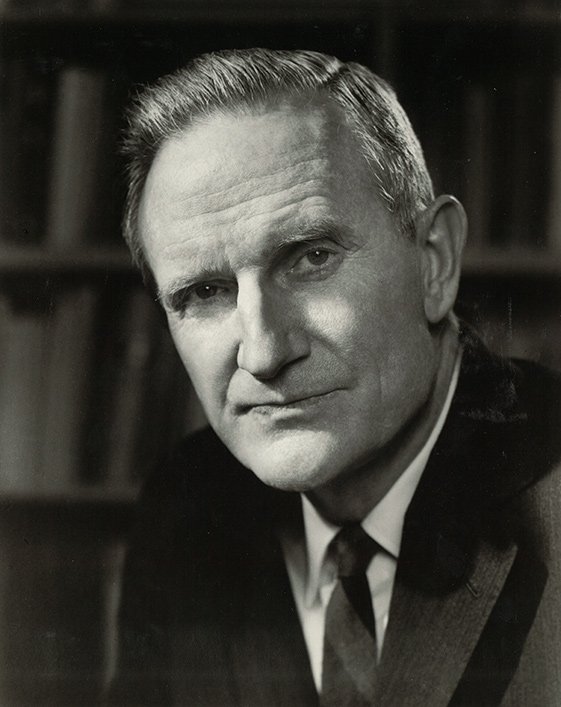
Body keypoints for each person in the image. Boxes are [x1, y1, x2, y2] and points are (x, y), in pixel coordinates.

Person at [108, 48, 561, 706]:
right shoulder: (185, 510)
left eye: (312, 258)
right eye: (204, 292)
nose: (264, 353)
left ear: (434, 262)